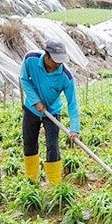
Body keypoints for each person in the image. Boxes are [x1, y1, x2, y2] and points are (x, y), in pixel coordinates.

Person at [21, 39, 80, 185]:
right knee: (29, 144)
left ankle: (55, 185)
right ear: (47, 56)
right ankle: (31, 180)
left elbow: (72, 103)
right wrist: (35, 101)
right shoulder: (31, 59)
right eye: (55, 61)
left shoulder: (66, 76)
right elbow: (24, 79)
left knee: (53, 147)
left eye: (61, 61)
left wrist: (74, 129)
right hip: (31, 109)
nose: (58, 65)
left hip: (52, 112)